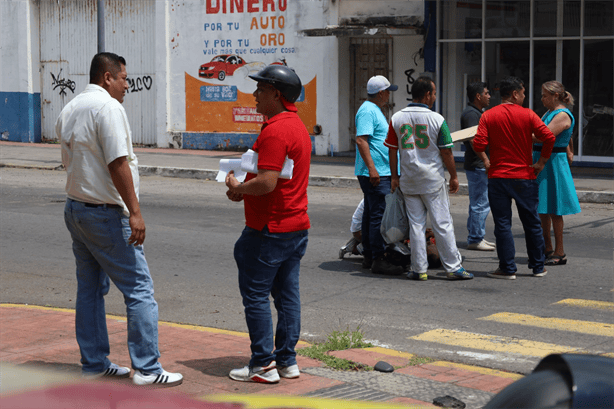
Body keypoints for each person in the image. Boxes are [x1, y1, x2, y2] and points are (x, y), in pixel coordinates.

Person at [57, 52, 183, 386]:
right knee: (140, 289)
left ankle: (94, 363)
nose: (128, 84)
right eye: (124, 78)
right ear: (107, 77)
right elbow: (117, 163)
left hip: (77, 209)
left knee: (89, 289)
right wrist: (135, 212)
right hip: (105, 213)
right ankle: (147, 368)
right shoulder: (108, 108)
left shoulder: (71, 107)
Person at [225, 65, 310, 383]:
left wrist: (238, 187)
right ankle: (287, 361)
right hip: (294, 226)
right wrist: (245, 191)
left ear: (277, 93)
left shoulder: (275, 130)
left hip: (269, 230)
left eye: (260, 89)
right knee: (287, 296)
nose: (254, 94)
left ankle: (262, 364)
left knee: (257, 296)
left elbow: (268, 182)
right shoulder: (296, 125)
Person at [385, 76, 473, 281]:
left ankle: (419, 269)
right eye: (433, 93)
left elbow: (391, 150)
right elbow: (447, 152)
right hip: (432, 180)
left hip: (409, 180)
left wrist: (394, 176)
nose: (434, 97)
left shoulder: (396, 118)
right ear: (426, 95)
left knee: (416, 225)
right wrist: (454, 176)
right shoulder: (437, 119)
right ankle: (453, 266)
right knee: (442, 223)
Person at [472, 76, 555, 280]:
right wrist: (541, 163)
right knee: (532, 222)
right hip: (524, 176)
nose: (525, 97)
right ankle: (537, 267)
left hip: (498, 177)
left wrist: (485, 160)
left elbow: (478, 143)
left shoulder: (488, 116)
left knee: (502, 224)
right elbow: (549, 137)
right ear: (515, 94)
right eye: (524, 93)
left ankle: (508, 268)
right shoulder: (528, 115)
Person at [355, 75, 403, 275]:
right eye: (388, 91)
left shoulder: (373, 110)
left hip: (377, 171)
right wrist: (373, 169)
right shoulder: (368, 110)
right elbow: (361, 140)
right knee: (378, 216)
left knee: (370, 214)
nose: (389, 95)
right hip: (376, 172)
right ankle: (378, 258)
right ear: (381, 93)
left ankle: (369, 255)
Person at [534, 81, 581, 265]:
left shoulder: (561, 114)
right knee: (543, 208)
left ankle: (559, 251)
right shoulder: (549, 112)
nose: (542, 98)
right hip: (545, 161)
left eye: (545, 95)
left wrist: (516, 135)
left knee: (554, 209)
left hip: (553, 162)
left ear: (555, 96)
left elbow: (542, 136)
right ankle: (547, 247)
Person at [462, 82, 495, 251]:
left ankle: (476, 235)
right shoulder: (471, 115)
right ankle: (475, 238)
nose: (489, 96)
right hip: (477, 166)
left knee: (478, 201)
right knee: (480, 202)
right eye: (487, 93)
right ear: (478, 96)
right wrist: (485, 160)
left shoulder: (476, 113)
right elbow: (473, 140)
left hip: (478, 164)